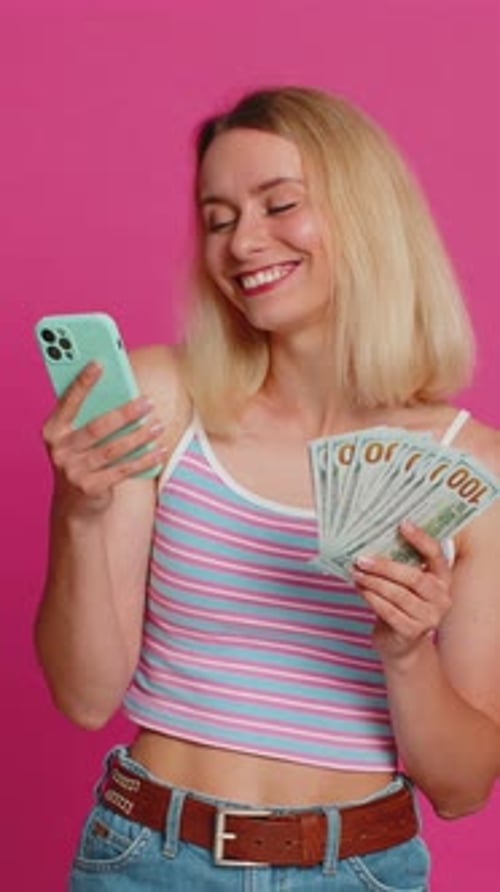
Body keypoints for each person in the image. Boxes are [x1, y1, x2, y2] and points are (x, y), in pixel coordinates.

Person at [36, 86, 500, 891]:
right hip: (146, 859)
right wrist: (81, 513)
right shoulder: (161, 401)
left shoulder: (478, 473)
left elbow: (462, 789)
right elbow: (83, 696)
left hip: (361, 871)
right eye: (219, 219)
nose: (245, 242)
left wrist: (404, 652)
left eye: (278, 205)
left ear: (368, 215)